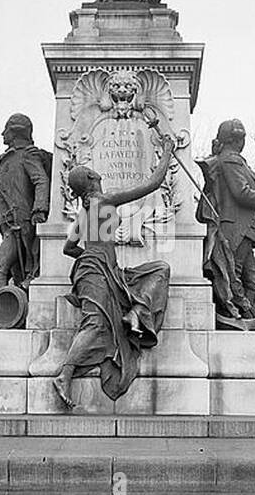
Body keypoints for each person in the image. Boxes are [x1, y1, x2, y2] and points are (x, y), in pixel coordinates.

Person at [52, 126, 175, 408]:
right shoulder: (104, 200)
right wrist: (167, 151)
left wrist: (93, 254)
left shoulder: (85, 212)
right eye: (95, 172)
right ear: (93, 179)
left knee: (159, 270)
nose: (99, 173)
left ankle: (135, 313)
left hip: (102, 270)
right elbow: (153, 184)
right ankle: (65, 374)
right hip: (96, 272)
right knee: (95, 324)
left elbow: (69, 248)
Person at [0, 114, 51, 314]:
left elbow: (41, 181)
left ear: (15, 132)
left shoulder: (27, 155)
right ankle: (13, 317)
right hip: (7, 227)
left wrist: (40, 209)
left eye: (5, 129)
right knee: (17, 278)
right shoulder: (7, 161)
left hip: (19, 226)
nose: (2, 133)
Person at [197, 119, 255, 321]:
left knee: (252, 281)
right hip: (235, 227)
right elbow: (241, 193)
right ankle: (231, 315)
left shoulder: (237, 161)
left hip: (246, 228)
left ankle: (242, 318)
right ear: (238, 140)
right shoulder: (230, 160)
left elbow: (247, 193)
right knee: (234, 275)